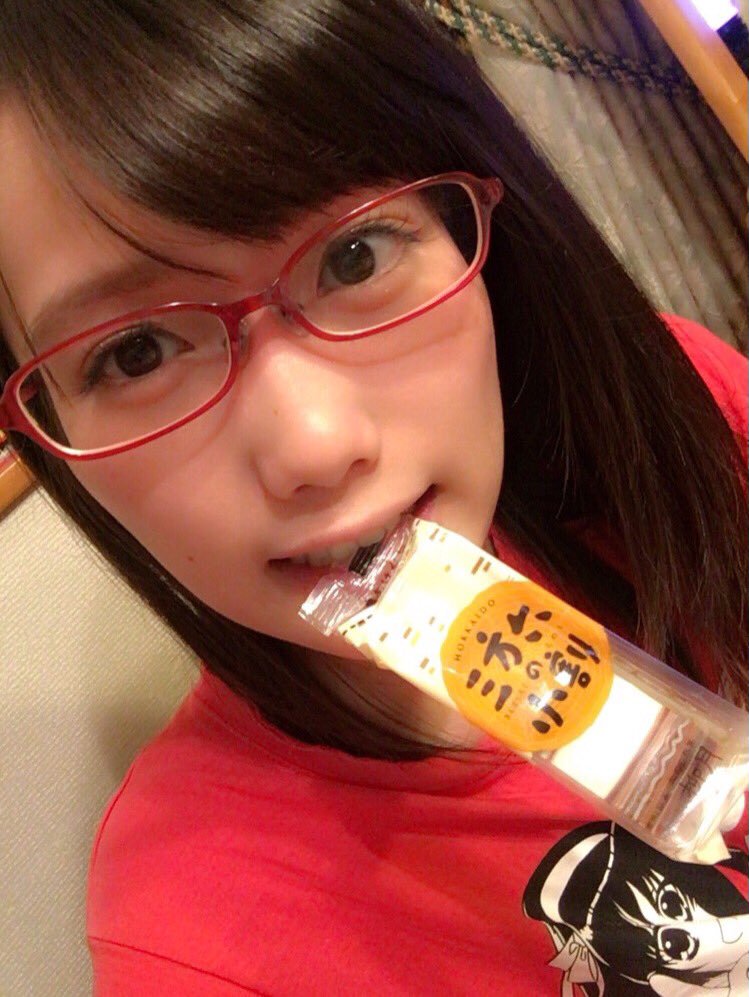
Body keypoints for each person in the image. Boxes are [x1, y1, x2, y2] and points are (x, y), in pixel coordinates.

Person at [0, 1, 747, 993]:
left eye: (354, 255)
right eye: (135, 353)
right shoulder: (200, 943)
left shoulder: (672, 418)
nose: (316, 444)